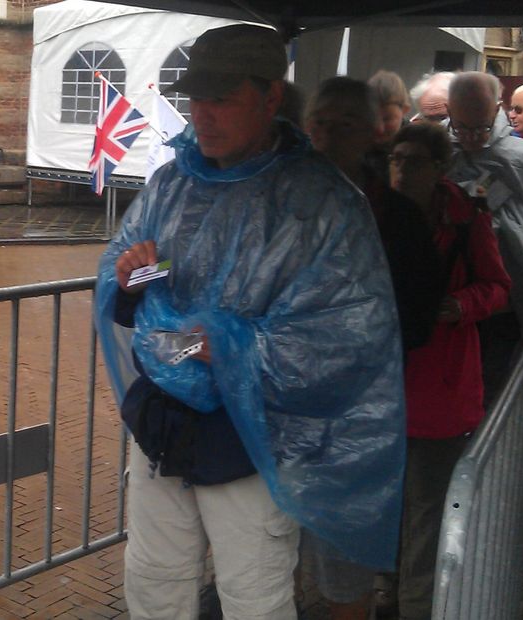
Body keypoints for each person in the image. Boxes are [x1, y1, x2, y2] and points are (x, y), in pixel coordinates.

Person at [95, 24, 406, 620]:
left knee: (253, 593)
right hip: (165, 424)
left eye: (222, 98)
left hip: (255, 438)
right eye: (195, 98)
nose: (202, 115)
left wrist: (236, 347)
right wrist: (134, 279)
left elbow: (347, 339)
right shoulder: (172, 183)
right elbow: (131, 285)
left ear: (269, 97)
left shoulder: (322, 204)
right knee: (155, 579)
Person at [303, 77, 445, 620]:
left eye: (345, 124)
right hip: (283, 410)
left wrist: (352, 342)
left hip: (356, 414)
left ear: (371, 134)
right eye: (321, 122)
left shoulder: (397, 218)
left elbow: (418, 316)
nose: (328, 135)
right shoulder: (274, 202)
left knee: (345, 562)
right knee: (274, 551)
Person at [387, 122, 511, 620]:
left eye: (413, 161)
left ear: (439, 169)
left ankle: (414, 607)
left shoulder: (465, 220)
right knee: (387, 508)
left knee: (425, 515)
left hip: (440, 393)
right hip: (385, 390)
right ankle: (383, 593)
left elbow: (498, 287)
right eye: (395, 159)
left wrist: (458, 306)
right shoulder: (375, 216)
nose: (400, 170)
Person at [446, 72, 523, 350]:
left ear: (497, 110)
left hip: (513, 301)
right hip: (454, 296)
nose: (471, 139)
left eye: (482, 128)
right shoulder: (438, 153)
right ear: (449, 112)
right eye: (462, 128)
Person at [368, 70, 411, 146]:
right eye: (372, 118)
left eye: (387, 119)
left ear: (404, 110)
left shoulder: (415, 144)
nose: (379, 128)